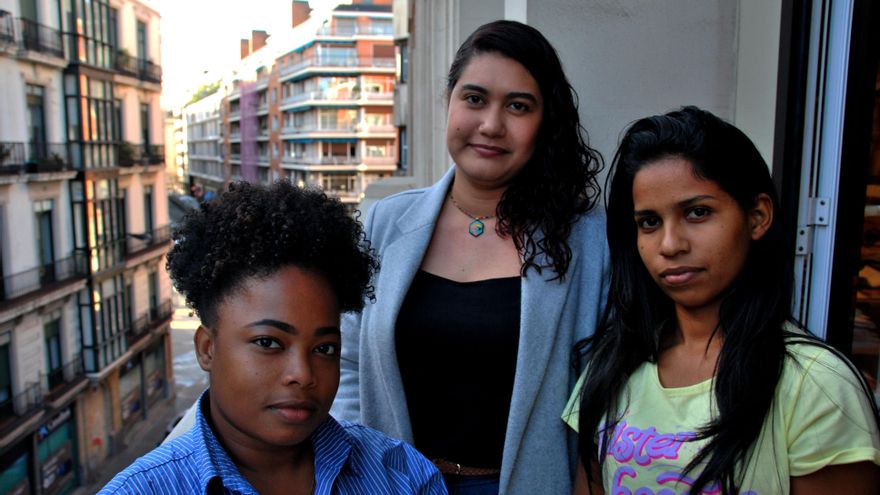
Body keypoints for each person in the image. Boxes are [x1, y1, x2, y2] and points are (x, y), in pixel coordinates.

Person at [331, 20, 608, 495]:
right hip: (395, 483)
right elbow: (349, 362)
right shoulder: (385, 223)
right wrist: (360, 467)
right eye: (475, 99)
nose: (491, 125)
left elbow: (603, 394)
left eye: (518, 106)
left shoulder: (587, 240)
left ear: (546, 122)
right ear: (450, 101)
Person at [564, 106, 880, 494]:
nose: (670, 245)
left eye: (697, 213)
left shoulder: (815, 384)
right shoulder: (614, 361)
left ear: (757, 216)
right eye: (649, 222)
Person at [99, 182, 446, 495]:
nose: (303, 374)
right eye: (269, 342)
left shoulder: (401, 475)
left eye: (325, 349)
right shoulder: (142, 489)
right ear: (207, 348)